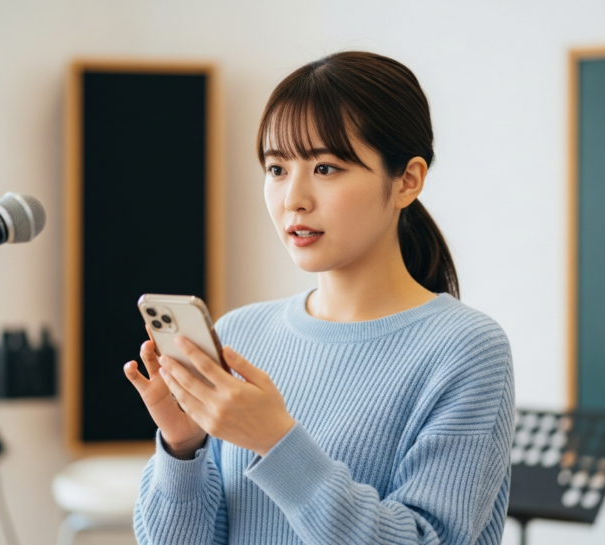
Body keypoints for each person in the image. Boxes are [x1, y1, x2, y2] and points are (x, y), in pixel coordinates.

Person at [123, 51, 513, 545]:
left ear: (407, 180)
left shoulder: (467, 349)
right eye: (277, 168)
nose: (293, 199)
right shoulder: (240, 333)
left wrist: (276, 441)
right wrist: (183, 448)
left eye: (326, 168)